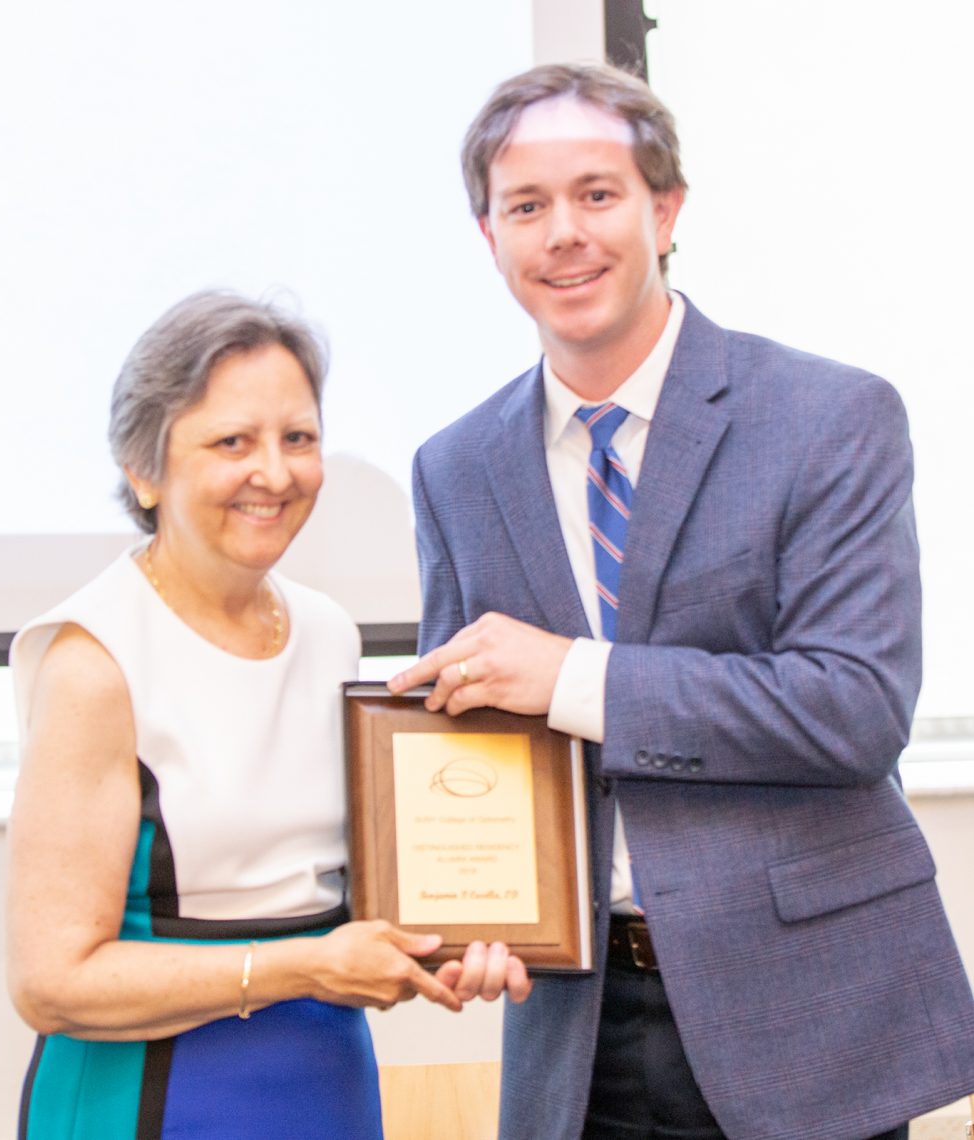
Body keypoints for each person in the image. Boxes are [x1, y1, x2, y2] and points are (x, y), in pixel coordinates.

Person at [388, 62, 974, 1140]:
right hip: (576, 1027)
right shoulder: (453, 467)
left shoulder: (828, 417)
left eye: (596, 194)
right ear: (488, 237)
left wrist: (570, 676)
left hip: (804, 1013)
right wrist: (463, 915)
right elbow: (467, 751)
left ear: (665, 209)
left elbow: (849, 708)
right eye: (526, 205)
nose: (562, 232)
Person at [7, 291, 530, 1140]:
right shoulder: (93, 663)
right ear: (143, 469)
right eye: (231, 443)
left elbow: (333, 891)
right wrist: (309, 968)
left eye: (299, 438)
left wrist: (460, 936)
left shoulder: (327, 632)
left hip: (326, 1083)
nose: (276, 473)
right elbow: (52, 982)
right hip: (155, 1100)